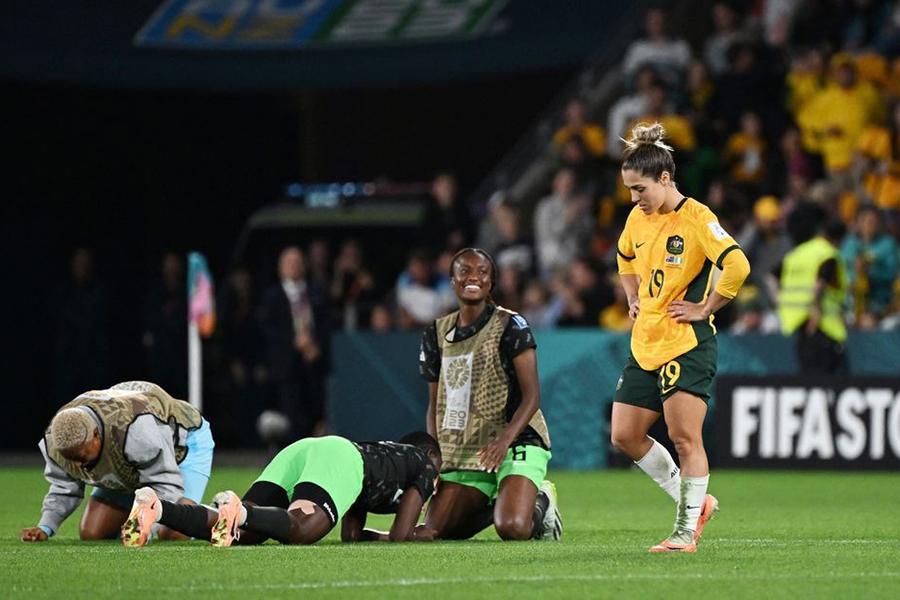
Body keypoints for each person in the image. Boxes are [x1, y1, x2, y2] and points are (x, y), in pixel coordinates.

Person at [611, 123, 750, 552]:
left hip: (686, 343)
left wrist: (706, 307)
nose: (634, 199)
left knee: (685, 437)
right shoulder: (638, 217)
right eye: (630, 191)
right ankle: (696, 503)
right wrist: (632, 295)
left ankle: (685, 533)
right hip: (645, 342)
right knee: (624, 436)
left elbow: (738, 265)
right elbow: (624, 255)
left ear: (665, 178)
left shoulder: (697, 218)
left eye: (640, 189)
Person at [417, 248, 561, 542]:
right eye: (465, 271)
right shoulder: (435, 333)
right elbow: (435, 404)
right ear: (452, 281)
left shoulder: (511, 325)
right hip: (468, 446)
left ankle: (540, 500)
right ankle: (505, 500)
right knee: (436, 533)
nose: (473, 278)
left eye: (482, 272)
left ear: (491, 282)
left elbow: (532, 396)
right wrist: (435, 459)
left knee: (512, 528)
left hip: (516, 439)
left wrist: (503, 442)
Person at [121, 432, 441, 546]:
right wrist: (422, 533)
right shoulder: (425, 464)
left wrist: (383, 535)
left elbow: (352, 535)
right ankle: (242, 512)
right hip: (341, 457)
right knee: (301, 530)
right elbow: (402, 536)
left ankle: (158, 508)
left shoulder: (388, 465)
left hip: (306, 452)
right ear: (429, 456)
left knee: (238, 531)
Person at [20, 381, 214, 543]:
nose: (79, 467)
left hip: (182, 445)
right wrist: (45, 526)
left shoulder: (137, 433)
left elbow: (166, 485)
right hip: (129, 459)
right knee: (92, 534)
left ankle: (226, 514)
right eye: (71, 459)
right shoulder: (57, 441)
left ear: (96, 435)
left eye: (82, 457)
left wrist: (144, 526)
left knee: (172, 532)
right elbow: (64, 487)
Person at [259, 246, 331, 442]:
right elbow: (268, 330)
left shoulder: (317, 293)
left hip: (313, 364)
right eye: (289, 263)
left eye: (298, 263)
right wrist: (294, 341)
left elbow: (327, 324)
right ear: (280, 268)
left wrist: (315, 345)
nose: (294, 267)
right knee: (292, 415)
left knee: (315, 414)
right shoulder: (271, 297)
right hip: (287, 366)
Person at [777, 218, 849, 373]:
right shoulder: (828, 254)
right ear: (839, 239)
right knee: (830, 380)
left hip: (796, 323)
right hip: (822, 326)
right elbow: (819, 286)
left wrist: (777, 300)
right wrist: (815, 313)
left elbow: (771, 275)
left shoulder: (796, 253)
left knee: (808, 378)